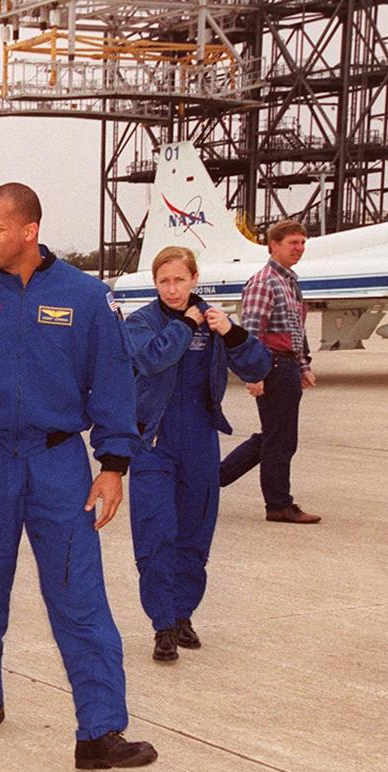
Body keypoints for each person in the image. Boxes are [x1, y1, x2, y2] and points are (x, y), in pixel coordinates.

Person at [0, 183, 157, 770]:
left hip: (58, 464)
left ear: (30, 230)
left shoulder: (85, 296)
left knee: (80, 595)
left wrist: (114, 466)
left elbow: (114, 384)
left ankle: (99, 732)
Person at [125, 246, 271, 662]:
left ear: (194, 279)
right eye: (163, 281)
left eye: (179, 280)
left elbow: (258, 367)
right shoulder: (140, 324)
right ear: (155, 284)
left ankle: (183, 614)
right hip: (153, 443)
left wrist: (232, 333)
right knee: (157, 534)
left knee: (194, 535)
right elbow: (153, 360)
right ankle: (162, 626)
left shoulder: (214, 322)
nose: (172, 289)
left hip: (200, 440)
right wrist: (187, 324)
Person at [218, 220, 321, 523]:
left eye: (302, 243)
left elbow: (294, 330)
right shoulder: (264, 282)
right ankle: (278, 504)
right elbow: (251, 332)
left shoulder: (289, 281)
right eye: (293, 243)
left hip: (287, 365)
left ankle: (211, 480)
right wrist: (254, 374)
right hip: (272, 365)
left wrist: (303, 365)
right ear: (273, 246)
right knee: (280, 440)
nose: (299, 249)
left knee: (274, 437)